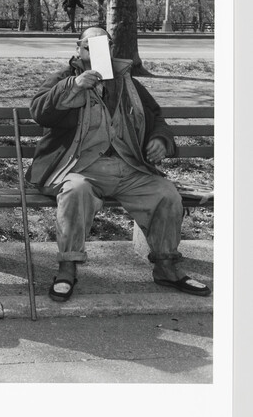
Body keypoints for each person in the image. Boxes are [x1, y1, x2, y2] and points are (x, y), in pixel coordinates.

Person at [27, 26, 211, 302]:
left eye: (105, 45)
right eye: (89, 46)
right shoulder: (65, 78)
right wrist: (73, 87)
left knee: (165, 193)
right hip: (79, 169)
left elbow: (155, 116)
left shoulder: (127, 83)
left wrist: (160, 139)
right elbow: (39, 112)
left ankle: (166, 266)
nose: (97, 51)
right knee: (74, 192)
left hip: (129, 168)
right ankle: (67, 267)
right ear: (79, 49)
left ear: (112, 49)